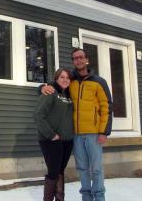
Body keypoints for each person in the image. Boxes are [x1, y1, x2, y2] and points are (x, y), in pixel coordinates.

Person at [40, 48, 113, 201]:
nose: (78, 60)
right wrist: (41, 87)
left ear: (87, 59)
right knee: (82, 168)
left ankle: (99, 197)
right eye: (75, 58)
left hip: (94, 133)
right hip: (76, 135)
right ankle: (86, 197)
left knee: (97, 169)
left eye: (81, 57)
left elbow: (107, 106)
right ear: (73, 61)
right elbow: (54, 85)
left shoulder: (99, 81)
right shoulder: (70, 80)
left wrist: (104, 131)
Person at [34, 68, 74, 201]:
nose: (65, 80)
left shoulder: (69, 94)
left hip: (67, 140)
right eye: (62, 77)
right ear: (56, 78)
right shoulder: (51, 92)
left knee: (60, 171)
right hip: (51, 140)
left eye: (68, 77)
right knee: (53, 172)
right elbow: (38, 115)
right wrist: (51, 135)